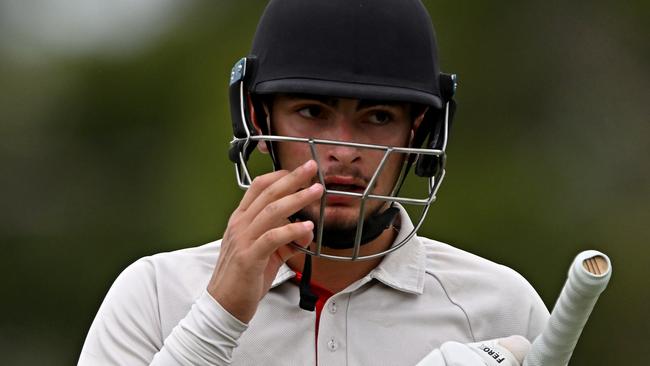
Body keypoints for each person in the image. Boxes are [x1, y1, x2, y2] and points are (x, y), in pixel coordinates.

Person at [79, 1, 549, 365]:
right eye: (312, 112)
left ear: (419, 132)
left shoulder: (500, 307)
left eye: (378, 116)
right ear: (258, 120)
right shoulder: (156, 294)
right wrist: (216, 319)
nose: (343, 149)